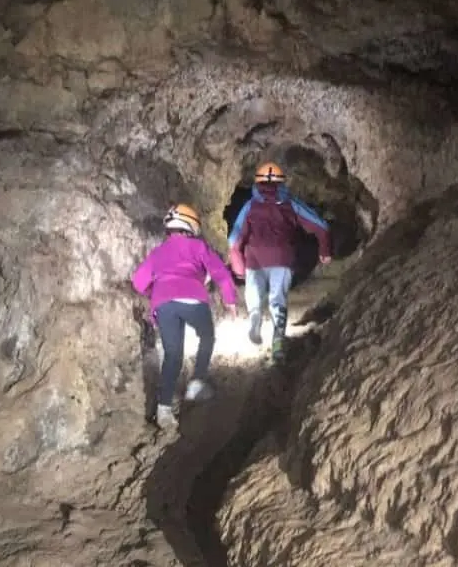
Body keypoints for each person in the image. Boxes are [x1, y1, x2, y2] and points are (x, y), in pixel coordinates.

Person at [131, 203, 237, 431]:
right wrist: (229, 299)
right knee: (207, 336)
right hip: (193, 297)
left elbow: (138, 282)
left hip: (164, 304)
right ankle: (197, 382)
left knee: (173, 355)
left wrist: (156, 293)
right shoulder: (198, 247)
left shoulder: (158, 252)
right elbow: (220, 272)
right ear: (191, 226)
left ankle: (164, 411)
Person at [228, 161, 331, 361]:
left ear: (257, 183)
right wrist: (325, 251)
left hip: (254, 257)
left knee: (254, 293)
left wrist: (238, 267)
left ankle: (255, 318)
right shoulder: (290, 202)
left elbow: (234, 239)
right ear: (282, 182)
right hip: (282, 258)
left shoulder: (250, 205)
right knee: (278, 300)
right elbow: (321, 226)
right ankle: (278, 343)